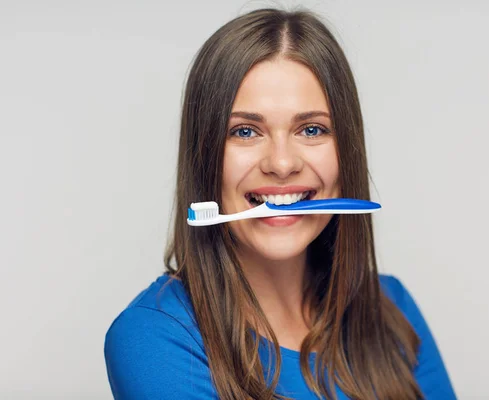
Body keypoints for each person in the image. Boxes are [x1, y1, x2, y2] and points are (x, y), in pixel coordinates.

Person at [104, 8, 456, 400]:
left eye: (311, 129)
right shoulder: (153, 338)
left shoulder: (393, 309)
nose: (282, 163)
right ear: (203, 157)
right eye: (245, 131)